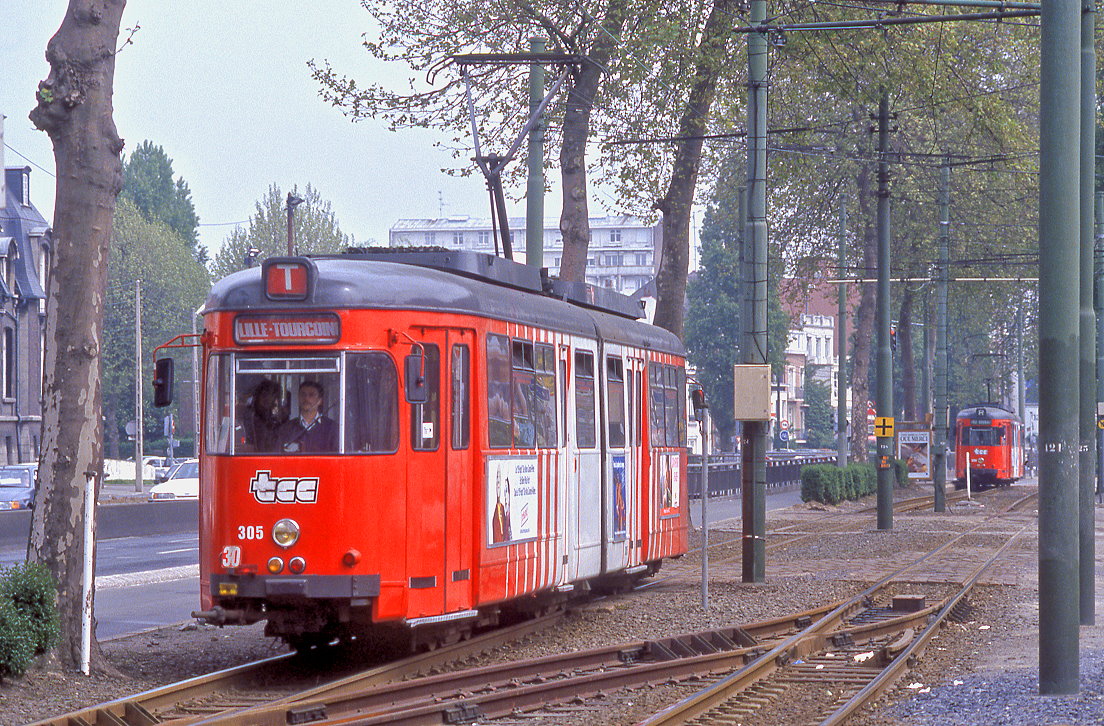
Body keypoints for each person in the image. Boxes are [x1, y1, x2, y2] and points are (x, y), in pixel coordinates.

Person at [280, 380, 338, 453]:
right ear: (298, 398)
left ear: (320, 400)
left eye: (311, 395)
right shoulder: (286, 428)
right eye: (303, 394)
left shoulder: (332, 428)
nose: (306, 398)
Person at [240, 379, 286, 453]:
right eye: (264, 395)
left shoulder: (272, 419)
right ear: (257, 396)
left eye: (272, 396)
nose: (267, 398)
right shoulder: (250, 416)